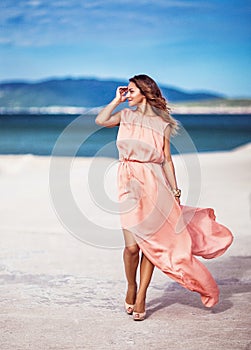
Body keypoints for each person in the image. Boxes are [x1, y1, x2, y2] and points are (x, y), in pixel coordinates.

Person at [95, 74, 233, 321]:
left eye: (132, 91)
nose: (128, 94)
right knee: (131, 247)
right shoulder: (125, 116)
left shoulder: (163, 124)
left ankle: (142, 296)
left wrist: (175, 190)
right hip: (128, 180)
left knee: (150, 244)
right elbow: (100, 119)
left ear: (145, 93)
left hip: (155, 183)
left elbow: (167, 160)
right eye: (126, 91)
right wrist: (116, 100)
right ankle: (131, 285)